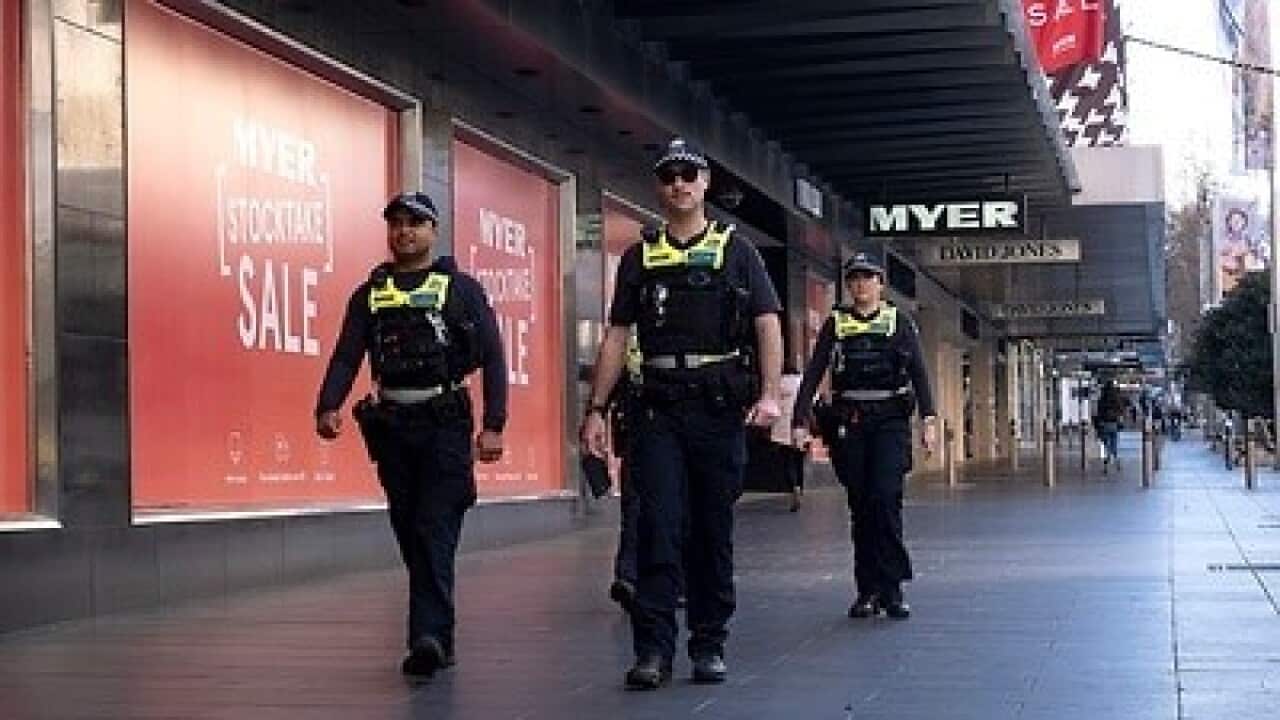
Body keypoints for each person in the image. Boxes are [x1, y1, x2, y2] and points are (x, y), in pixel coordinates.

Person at [579, 137, 783, 690]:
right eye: (669, 176)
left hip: (717, 409)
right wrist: (596, 409)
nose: (679, 185)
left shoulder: (738, 251)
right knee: (657, 528)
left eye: (689, 175)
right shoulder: (639, 258)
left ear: (705, 184)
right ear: (659, 186)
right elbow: (618, 335)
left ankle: (709, 642)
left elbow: (767, 322)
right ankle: (653, 650)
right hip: (656, 410)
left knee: (711, 531)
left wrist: (771, 394)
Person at [314, 191, 507, 678]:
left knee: (432, 527)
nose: (404, 232)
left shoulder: (461, 289)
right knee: (409, 528)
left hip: (445, 423)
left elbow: (494, 358)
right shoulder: (370, 295)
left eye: (414, 223)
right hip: (394, 427)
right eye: (396, 223)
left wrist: (493, 425)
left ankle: (427, 636)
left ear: (433, 229)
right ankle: (438, 632)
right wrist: (327, 405)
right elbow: (345, 356)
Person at [792, 252, 936, 621]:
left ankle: (893, 587)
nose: (860, 285)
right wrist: (799, 418)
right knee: (861, 506)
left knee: (886, 499)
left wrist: (930, 419)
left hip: (889, 420)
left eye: (867, 278)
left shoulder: (898, 321)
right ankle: (867, 588)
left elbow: (919, 373)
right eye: (854, 278)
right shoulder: (836, 323)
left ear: (880, 284)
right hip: (849, 422)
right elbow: (814, 372)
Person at [1093, 379, 1124, 474]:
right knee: (1114, 444)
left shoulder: (1102, 399)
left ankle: (1106, 463)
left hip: (1104, 424)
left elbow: (1098, 412)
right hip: (1114, 424)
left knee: (1106, 445)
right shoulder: (1116, 399)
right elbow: (1121, 410)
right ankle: (1116, 460)